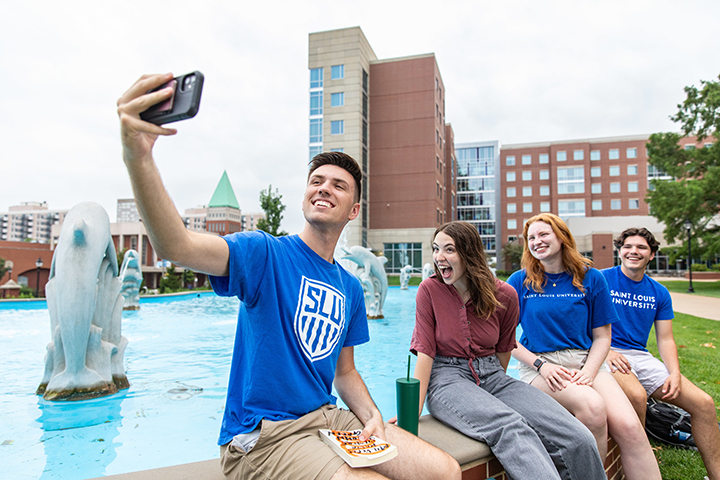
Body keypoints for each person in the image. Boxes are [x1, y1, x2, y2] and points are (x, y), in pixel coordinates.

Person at [116, 73, 460, 480]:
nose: (324, 188)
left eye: (339, 185)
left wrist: (372, 416)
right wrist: (137, 155)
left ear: (354, 211)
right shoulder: (264, 254)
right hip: (265, 438)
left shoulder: (350, 287)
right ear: (304, 197)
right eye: (316, 181)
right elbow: (178, 245)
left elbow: (343, 371)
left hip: (328, 420)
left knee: (445, 470)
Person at [406, 221, 605, 480]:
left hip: (493, 376)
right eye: (436, 249)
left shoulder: (506, 294)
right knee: (511, 428)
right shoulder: (429, 290)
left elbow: (503, 352)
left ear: (470, 253)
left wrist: (490, 392)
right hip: (447, 379)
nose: (439, 258)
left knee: (576, 436)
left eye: (449, 250)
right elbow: (426, 353)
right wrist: (410, 415)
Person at [508, 213, 661, 480]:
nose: (537, 241)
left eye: (544, 234)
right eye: (531, 237)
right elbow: (505, 339)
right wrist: (541, 367)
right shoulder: (520, 281)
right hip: (542, 366)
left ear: (562, 237)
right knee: (592, 407)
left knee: (630, 428)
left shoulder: (590, 277)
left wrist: (589, 372)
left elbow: (602, 336)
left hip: (587, 362)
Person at [602, 227, 720, 480]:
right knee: (636, 395)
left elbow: (665, 338)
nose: (634, 251)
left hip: (639, 355)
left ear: (652, 255)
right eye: (628, 247)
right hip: (605, 352)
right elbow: (579, 322)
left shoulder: (659, 292)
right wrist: (606, 351)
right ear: (619, 251)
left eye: (642, 247)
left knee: (704, 404)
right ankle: (639, 470)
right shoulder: (600, 279)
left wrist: (675, 373)